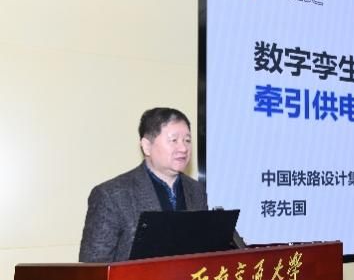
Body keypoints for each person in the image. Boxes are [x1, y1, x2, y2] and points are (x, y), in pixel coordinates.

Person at [79, 107, 243, 262]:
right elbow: (93, 268)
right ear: (147, 146)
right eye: (174, 140)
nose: (183, 148)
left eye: (187, 140)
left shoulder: (196, 190)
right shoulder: (112, 195)